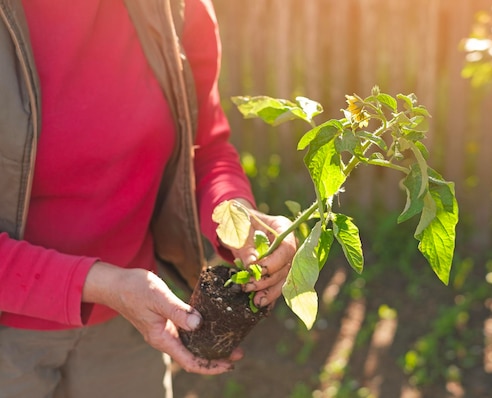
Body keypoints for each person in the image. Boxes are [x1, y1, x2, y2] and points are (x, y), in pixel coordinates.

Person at [0, 0, 297, 397]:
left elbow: (203, 148)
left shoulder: (174, 8)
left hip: (128, 325)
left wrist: (237, 216)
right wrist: (103, 284)